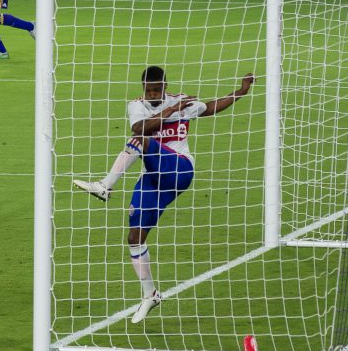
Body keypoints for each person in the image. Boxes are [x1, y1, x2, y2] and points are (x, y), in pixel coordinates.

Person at [73, 67, 254, 323]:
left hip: (180, 168)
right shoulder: (137, 105)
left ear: (165, 85)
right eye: (148, 90)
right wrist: (169, 111)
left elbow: (211, 107)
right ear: (143, 88)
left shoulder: (181, 101)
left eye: (157, 89)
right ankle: (150, 295)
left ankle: (105, 186)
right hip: (154, 177)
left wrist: (241, 91)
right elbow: (139, 126)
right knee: (135, 238)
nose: (153, 94)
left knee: (139, 141)